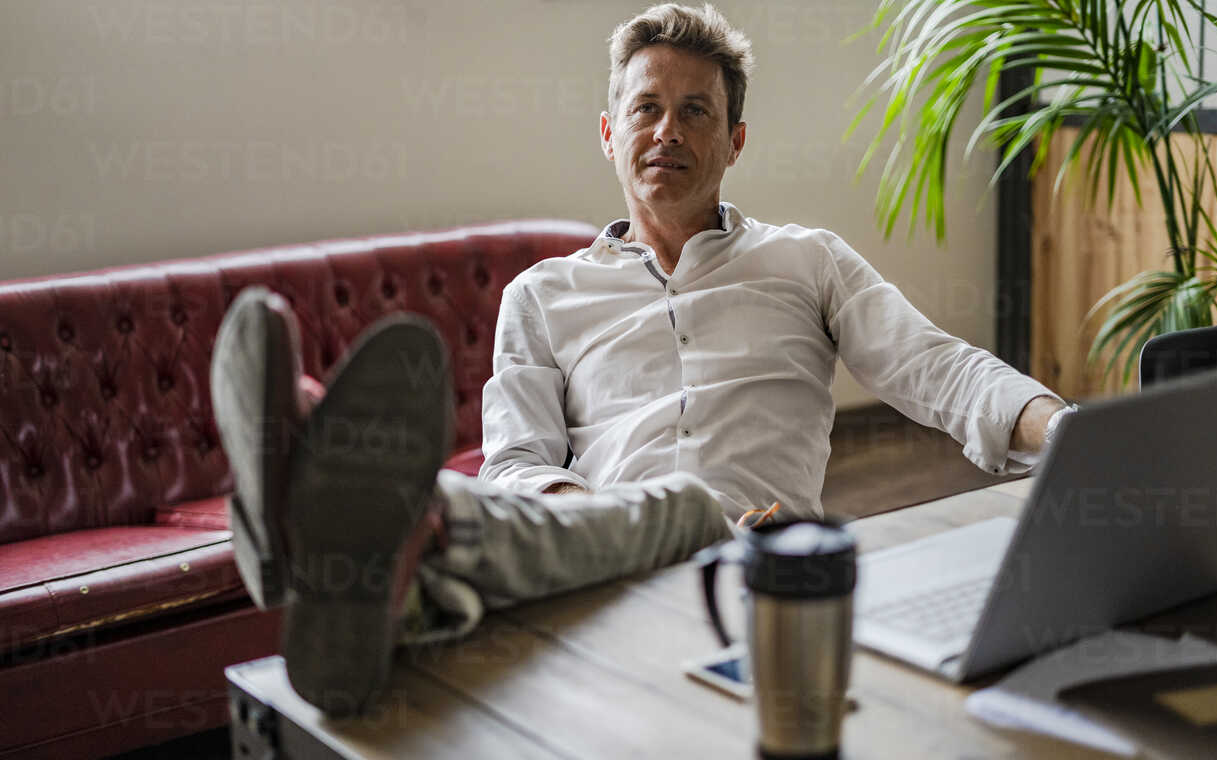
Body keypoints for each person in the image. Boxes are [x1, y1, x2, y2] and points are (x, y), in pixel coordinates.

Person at [210, 3, 1070, 717]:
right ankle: (381, 552)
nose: (668, 130)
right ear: (608, 132)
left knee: (695, 511)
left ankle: (331, 528)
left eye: (697, 110)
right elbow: (517, 463)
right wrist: (594, 523)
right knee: (666, 509)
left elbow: (938, 366)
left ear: (735, 140)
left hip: (754, 576)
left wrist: (1062, 431)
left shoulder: (809, 262)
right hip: (592, 570)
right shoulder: (542, 295)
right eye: (646, 107)